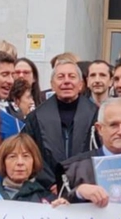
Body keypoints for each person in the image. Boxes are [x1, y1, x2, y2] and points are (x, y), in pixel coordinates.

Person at [25, 59, 98, 189]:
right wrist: (53, 183)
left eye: (72, 77)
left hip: (87, 188)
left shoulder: (96, 115)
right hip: (47, 189)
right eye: (60, 77)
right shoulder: (36, 117)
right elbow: (30, 152)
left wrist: (78, 184)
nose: (66, 81)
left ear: (81, 84)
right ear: (52, 85)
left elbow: (100, 153)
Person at [0, 133, 61, 204]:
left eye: (26, 156)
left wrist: (62, 209)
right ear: (3, 162)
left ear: (34, 161)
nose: (20, 162)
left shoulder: (48, 200)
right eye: (12, 156)